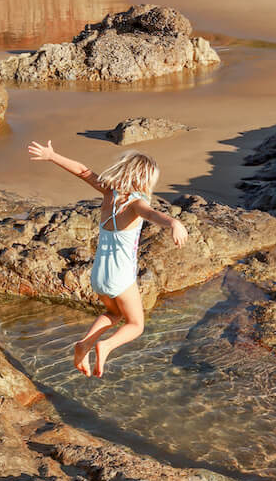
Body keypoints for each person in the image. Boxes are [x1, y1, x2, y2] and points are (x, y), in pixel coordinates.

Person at [27, 140, 188, 375]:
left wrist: (52, 155)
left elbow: (83, 170)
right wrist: (174, 222)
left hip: (99, 275)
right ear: (144, 179)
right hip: (120, 276)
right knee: (136, 325)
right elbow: (152, 214)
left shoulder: (109, 193)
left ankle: (85, 345)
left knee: (114, 314)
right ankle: (106, 345)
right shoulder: (136, 204)